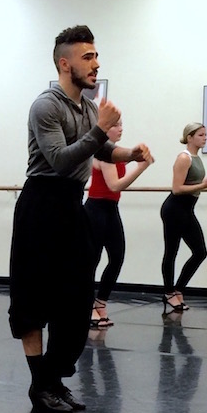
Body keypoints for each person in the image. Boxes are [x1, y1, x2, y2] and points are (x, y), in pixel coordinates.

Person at [8, 25, 152, 413]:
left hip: (72, 205)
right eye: (87, 57)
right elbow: (60, 159)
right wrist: (101, 128)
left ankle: (53, 379)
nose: (96, 63)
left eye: (96, 56)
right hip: (41, 203)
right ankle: (40, 386)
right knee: (33, 297)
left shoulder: (87, 108)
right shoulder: (45, 106)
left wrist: (129, 154)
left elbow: (101, 150)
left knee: (75, 298)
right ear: (64, 63)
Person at [84, 120, 152, 327]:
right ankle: (87, 307)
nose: (121, 128)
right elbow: (114, 185)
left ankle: (100, 302)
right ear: (105, 129)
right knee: (91, 261)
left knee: (117, 257)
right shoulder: (102, 155)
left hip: (111, 210)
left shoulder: (115, 153)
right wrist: (141, 167)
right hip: (95, 210)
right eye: (115, 125)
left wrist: (136, 155)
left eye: (122, 125)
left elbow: (125, 160)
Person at [160, 123, 207, 312]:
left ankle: (178, 289)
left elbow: (191, 183)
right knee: (171, 252)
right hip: (174, 209)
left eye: (205, 134)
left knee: (200, 252)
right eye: (201, 135)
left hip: (187, 210)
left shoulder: (196, 158)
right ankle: (169, 293)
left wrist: (206, 181)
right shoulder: (183, 158)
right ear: (189, 137)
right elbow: (177, 189)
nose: (205, 138)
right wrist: (203, 186)